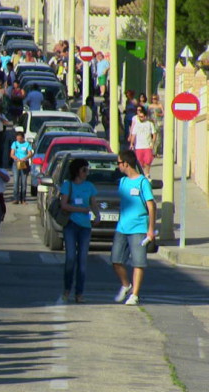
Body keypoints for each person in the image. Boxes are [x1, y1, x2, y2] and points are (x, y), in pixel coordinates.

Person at [111, 150, 156, 306]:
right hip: (122, 227)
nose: (118, 166)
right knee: (116, 260)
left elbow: (151, 206)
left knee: (138, 262)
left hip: (138, 228)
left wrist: (150, 229)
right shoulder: (122, 182)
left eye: (118, 163)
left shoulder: (142, 182)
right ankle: (126, 285)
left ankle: (135, 294)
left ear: (126, 164)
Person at [59, 158, 100, 303]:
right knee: (70, 258)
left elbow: (93, 203)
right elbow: (64, 205)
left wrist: (97, 215)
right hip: (71, 224)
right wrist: (80, 209)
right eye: (84, 170)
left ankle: (79, 292)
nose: (86, 172)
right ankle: (67, 289)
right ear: (77, 171)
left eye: (87, 170)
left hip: (85, 227)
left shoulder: (89, 186)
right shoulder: (68, 185)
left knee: (82, 261)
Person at [129, 107, 157, 178]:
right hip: (138, 147)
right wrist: (131, 144)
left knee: (148, 161)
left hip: (147, 146)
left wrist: (152, 143)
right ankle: (140, 175)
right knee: (139, 163)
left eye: (141, 117)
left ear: (145, 116)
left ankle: (147, 174)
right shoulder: (137, 125)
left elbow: (154, 134)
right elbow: (133, 135)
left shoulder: (150, 124)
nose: (140, 118)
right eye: (139, 117)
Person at [9, 132, 33, 204]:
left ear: (23, 138)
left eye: (20, 138)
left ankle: (23, 199)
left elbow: (30, 153)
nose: (19, 139)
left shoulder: (27, 144)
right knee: (16, 181)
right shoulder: (15, 144)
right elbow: (12, 154)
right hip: (16, 163)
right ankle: (16, 198)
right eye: (17, 138)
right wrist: (16, 158)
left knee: (23, 181)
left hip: (24, 163)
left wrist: (25, 158)